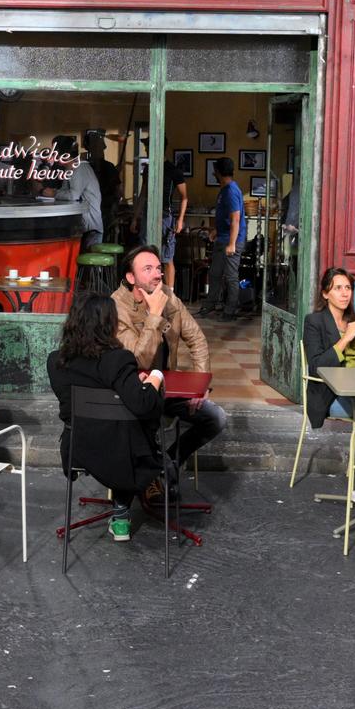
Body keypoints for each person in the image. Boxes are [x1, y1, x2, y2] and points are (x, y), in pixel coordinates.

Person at [48, 294, 167, 542]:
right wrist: (155, 376)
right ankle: (122, 512)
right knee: (132, 426)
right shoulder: (118, 360)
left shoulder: (55, 361)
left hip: (77, 447)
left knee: (117, 427)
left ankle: (121, 515)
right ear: (109, 325)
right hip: (120, 452)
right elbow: (143, 404)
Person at [112, 244, 226, 471]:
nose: (157, 274)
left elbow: (197, 340)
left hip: (168, 389)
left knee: (216, 418)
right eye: (148, 269)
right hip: (135, 393)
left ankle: (169, 462)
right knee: (145, 428)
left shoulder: (168, 298)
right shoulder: (117, 306)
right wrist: (154, 315)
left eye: (158, 268)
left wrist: (199, 384)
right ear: (131, 277)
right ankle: (152, 475)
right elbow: (138, 360)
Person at [302, 267, 355, 425]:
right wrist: (346, 338)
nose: (344, 293)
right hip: (332, 396)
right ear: (325, 294)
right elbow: (316, 367)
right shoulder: (314, 322)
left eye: (348, 288)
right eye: (338, 288)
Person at [200, 159, 244, 316]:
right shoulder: (225, 190)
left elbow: (235, 219)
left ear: (218, 172)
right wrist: (216, 231)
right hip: (223, 238)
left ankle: (230, 311)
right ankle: (210, 305)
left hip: (232, 241)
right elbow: (225, 217)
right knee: (215, 273)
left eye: (215, 171)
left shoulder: (231, 191)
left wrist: (232, 243)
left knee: (231, 277)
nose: (213, 174)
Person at [45, 135, 105, 248]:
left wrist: (53, 193)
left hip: (91, 230)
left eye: (55, 153)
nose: (54, 156)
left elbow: (73, 195)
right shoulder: (70, 169)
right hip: (82, 228)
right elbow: (64, 192)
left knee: (86, 264)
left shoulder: (80, 168)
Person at [160, 152, 192, 279]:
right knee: (150, 255)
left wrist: (180, 219)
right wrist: (136, 217)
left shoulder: (173, 170)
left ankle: (170, 295)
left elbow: (184, 197)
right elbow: (143, 193)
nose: (147, 150)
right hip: (149, 214)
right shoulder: (148, 169)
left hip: (166, 216)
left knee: (167, 257)